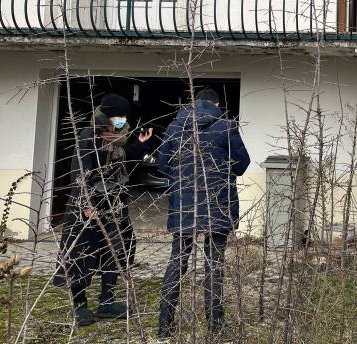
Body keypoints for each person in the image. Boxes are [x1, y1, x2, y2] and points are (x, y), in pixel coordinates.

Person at [156, 88, 250, 338]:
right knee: (214, 266)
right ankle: (215, 326)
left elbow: (162, 164)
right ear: (217, 104)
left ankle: (164, 326)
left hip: (183, 207)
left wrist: (182, 178)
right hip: (217, 205)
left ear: (194, 102)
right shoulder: (226, 127)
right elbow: (242, 165)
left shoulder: (176, 127)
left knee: (177, 262)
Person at [55, 93, 154, 327]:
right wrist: (86, 203)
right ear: (108, 116)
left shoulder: (120, 136)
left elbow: (127, 164)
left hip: (114, 203)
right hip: (88, 207)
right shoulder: (89, 135)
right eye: (119, 116)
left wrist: (141, 145)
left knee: (116, 250)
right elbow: (79, 171)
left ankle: (107, 301)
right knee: (82, 254)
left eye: (125, 117)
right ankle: (79, 305)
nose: (122, 120)